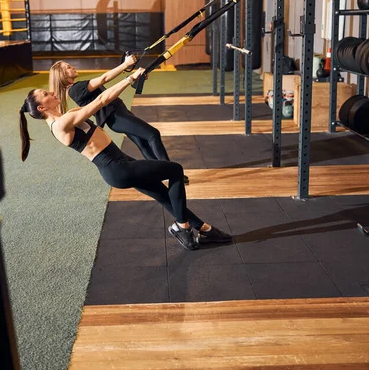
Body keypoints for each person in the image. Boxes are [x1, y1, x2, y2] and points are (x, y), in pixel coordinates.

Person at [19, 68, 232, 250]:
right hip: (115, 168)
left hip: (121, 161)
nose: (52, 92)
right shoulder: (60, 125)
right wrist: (129, 78)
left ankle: (204, 229)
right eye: (46, 93)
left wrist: (131, 75)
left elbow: (100, 100)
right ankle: (183, 228)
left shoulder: (71, 114)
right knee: (175, 170)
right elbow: (102, 99)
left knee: (163, 195)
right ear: (42, 107)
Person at [49, 56, 189, 184]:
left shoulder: (76, 88)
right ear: (63, 76)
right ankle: (172, 173)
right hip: (117, 117)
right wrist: (126, 64)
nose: (72, 67)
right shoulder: (76, 89)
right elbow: (104, 78)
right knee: (153, 134)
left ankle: (162, 173)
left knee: (143, 144)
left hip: (120, 115)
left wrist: (133, 75)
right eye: (68, 67)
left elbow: (106, 83)